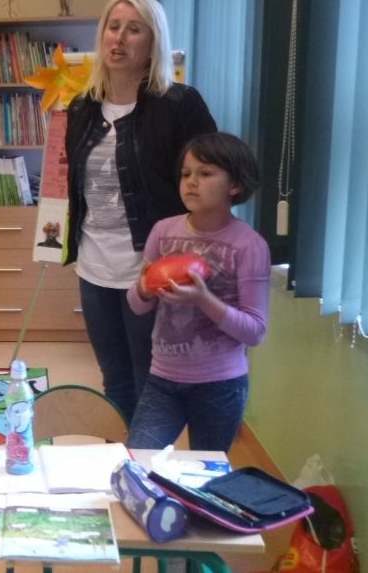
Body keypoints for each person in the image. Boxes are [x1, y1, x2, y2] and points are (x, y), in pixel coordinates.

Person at [64, 0, 218, 423]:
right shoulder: (82, 108)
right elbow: (76, 185)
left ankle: (145, 457)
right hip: (95, 266)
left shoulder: (179, 104)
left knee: (151, 378)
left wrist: (196, 248)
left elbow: (210, 178)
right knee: (114, 378)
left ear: (153, 43)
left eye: (134, 29)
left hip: (153, 267)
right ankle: (123, 454)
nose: (119, 38)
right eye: (113, 27)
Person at [126, 132, 271, 452]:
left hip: (221, 385)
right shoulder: (163, 231)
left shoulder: (249, 245)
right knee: (138, 460)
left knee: (206, 474)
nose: (191, 182)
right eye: (186, 174)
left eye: (205, 174)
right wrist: (145, 288)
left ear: (235, 185)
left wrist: (203, 299)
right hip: (162, 379)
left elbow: (255, 331)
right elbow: (137, 305)